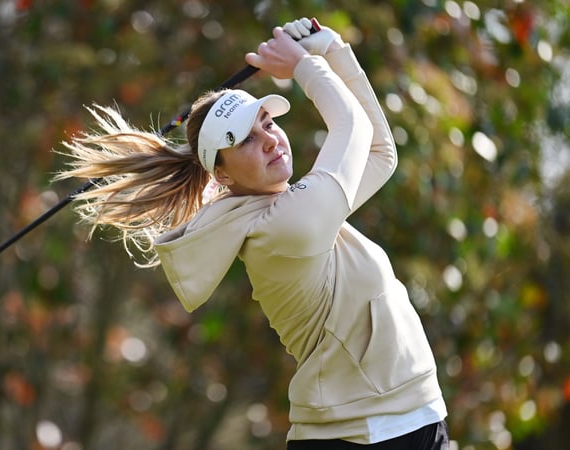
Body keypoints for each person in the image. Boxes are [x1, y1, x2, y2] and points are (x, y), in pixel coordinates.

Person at [56, 17, 449, 449]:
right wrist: (304, 66)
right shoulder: (286, 226)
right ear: (220, 175)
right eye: (244, 138)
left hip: (400, 421)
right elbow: (352, 127)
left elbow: (379, 152)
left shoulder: (286, 208)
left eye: (267, 122)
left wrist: (334, 48)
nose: (269, 139)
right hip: (369, 434)